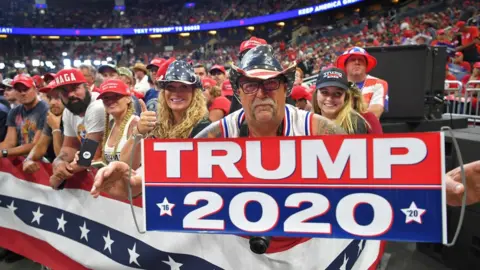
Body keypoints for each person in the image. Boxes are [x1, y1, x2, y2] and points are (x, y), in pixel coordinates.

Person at [119, 60, 211, 170]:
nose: (176, 93)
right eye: (171, 87)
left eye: (184, 87)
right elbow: (125, 166)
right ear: (163, 93)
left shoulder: (204, 127)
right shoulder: (158, 124)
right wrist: (138, 131)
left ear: (194, 93)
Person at [49, 68, 106, 189]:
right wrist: (58, 162)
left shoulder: (97, 106)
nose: (70, 95)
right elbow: (70, 147)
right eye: (64, 92)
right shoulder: (69, 111)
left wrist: (58, 176)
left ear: (86, 86)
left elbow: (91, 155)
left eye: (75, 88)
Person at [312, 67, 382, 134]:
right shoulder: (305, 122)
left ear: (345, 97)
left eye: (337, 93)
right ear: (316, 94)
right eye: (324, 92)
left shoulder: (356, 124)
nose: (329, 98)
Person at [0, 74, 49, 159]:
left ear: (35, 89)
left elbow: (36, 145)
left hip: (43, 159)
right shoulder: (14, 112)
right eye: (18, 90)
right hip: (21, 158)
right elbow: (10, 142)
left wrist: (4, 152)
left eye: (26, 89)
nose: (22, 93)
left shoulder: (45, 109)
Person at [23, 81, 65, 173]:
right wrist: (28, 160)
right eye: (49, 98)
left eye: (58, 98)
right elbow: (41, 145)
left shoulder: (76, 116)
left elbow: (63, 158)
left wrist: (55, 128)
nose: (53, 102)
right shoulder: (52, 115)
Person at [336, 47, 388, 118]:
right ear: (345, 65)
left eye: (361, 60)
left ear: (366, 66)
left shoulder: (379, 84)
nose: (357, 62)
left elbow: (374, 115)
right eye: (352, 59)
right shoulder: (337, 84)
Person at [98, 79, 139, 164]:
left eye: (116, 96)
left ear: (128, 99)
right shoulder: (110, 124)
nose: (110, 101)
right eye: (106, 98)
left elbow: (133, 165)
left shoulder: (135, 124)